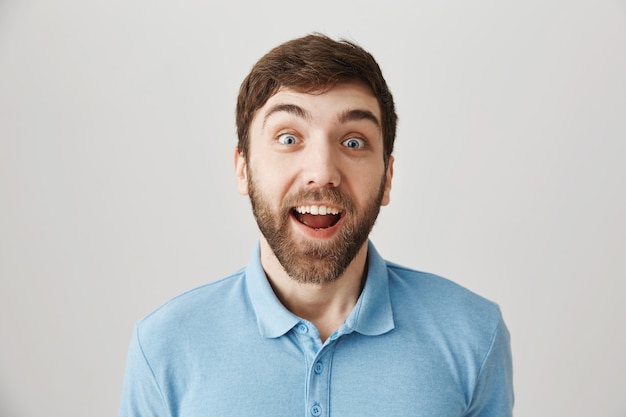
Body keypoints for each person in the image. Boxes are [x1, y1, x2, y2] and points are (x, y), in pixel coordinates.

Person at [119, 33, 514, 417]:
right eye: (289, 138)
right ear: (243, 168)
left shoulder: (473, 335)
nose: (322, 172)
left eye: (354, 142)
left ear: (387, 178)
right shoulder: (163, 347)